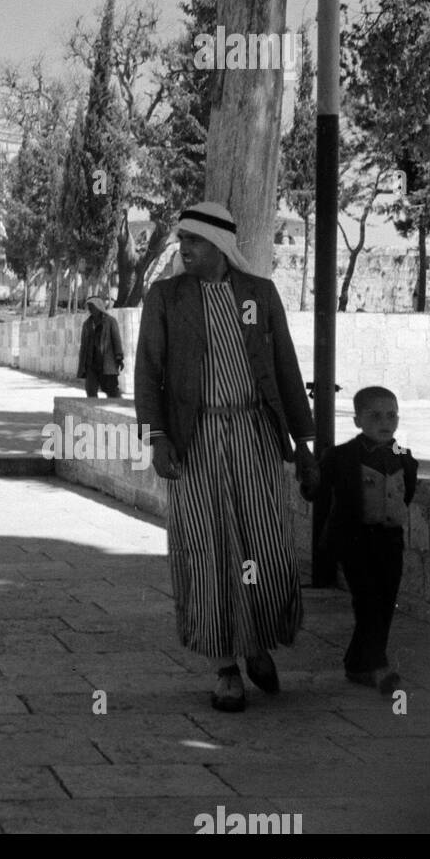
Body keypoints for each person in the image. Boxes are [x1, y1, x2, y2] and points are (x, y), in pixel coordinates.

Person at [134, 201, 317, 713]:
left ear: (219, 247)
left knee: (265, 544)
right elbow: (148, 374)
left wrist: (303, 443)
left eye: (192, 241)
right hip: (195, 441)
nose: (183, 250)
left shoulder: (259, 294)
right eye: (181, 242)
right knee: (206, 547)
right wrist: (158, 438)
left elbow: (284, 365)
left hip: (255, 436)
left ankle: (257, 641)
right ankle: (226, 668)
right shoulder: (166, 298)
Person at [317, 387, 418, 695]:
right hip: (356, 541)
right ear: (357, 420)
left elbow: (408, 489)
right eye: (374, 416)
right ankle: (377, 665)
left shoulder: (403, 456)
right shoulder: (342, 455)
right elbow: (317, 492)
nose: (384, 422)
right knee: (368, 601)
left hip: (389, 539)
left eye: (391, 415)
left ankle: (358, 662)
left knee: (385, 600)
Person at [76, 296, 124, 398]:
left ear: (99, 307)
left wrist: (119, 356)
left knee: (112, 391)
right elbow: (83, 345)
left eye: (92, 307)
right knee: (90, 390)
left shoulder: (110, 321)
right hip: (91, 364)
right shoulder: (87, 324)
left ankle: (118, 408)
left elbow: (116, 340)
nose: (90, 309)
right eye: (89, 307)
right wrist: (82, 364)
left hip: (107, 363)